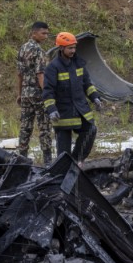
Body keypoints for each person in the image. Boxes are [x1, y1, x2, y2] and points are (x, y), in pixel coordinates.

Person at [43, 32, 101, 166]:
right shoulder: (53, 67)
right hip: (63, 113)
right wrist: (51, 109)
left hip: (80, 109)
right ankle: (63, 170)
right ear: (61, 48)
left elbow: (87, 83)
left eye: (74, 47)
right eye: (70, 48)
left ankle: (76, 160)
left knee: (91, 130)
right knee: (64, 153)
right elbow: (48, 91)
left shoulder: (79, 63)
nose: (73, 51)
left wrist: (95, 98)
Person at [17, 22, 53, 164]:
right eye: (43, 33)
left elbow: (19, 74)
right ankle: (48, 160)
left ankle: (22, 158)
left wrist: (19, 93)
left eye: (47, 33)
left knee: (25, 126)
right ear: (34, 33)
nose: (46, 36)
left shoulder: (23, 48)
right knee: (44, 126)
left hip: (26, 93)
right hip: (38, 94)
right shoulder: (38, 51)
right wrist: (47, 93)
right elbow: (40, 74)